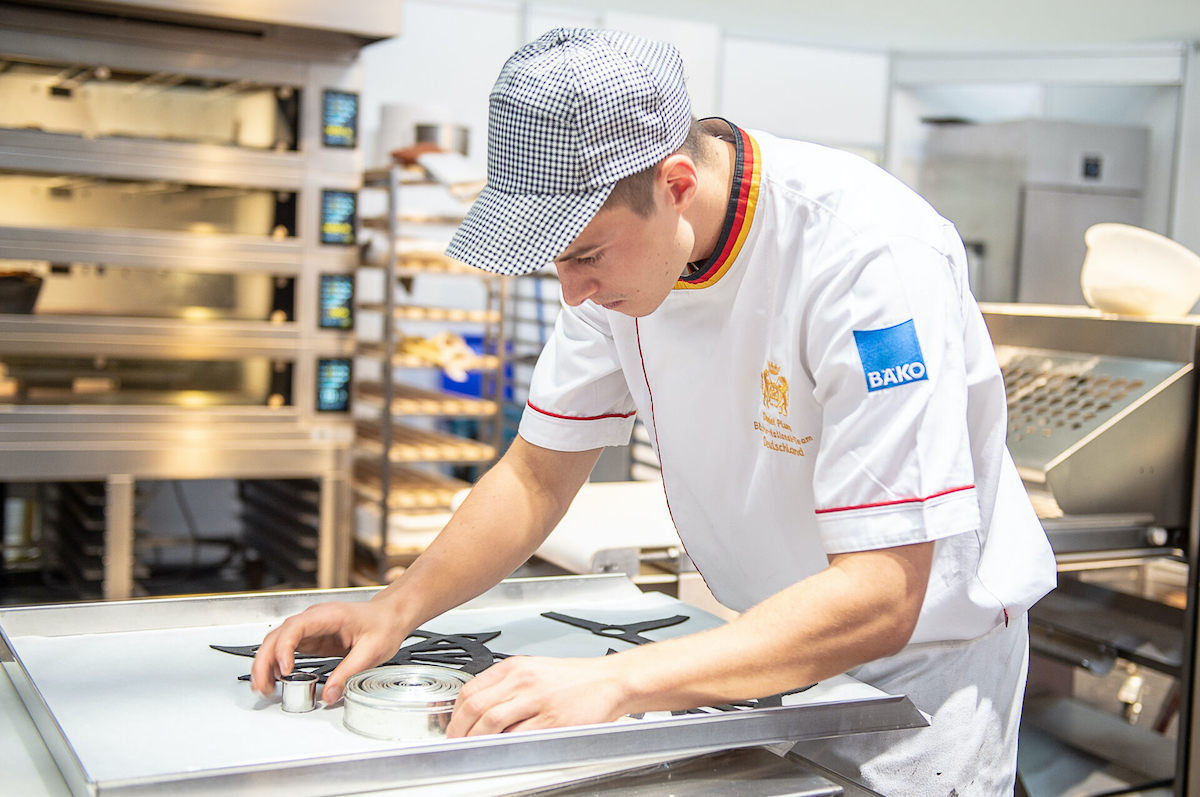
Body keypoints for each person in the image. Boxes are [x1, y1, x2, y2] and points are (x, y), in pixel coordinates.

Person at [252, 28, 1057, 796]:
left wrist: (618, 679)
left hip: (915, 686)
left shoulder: (868, 258)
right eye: (554, 260)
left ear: (676, 184)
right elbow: (536, 473)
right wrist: (396, 605)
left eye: (585, 255)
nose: (571, 291)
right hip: (758, 648)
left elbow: (883, 593)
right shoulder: (625, 265)